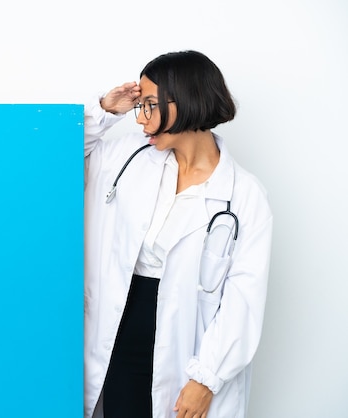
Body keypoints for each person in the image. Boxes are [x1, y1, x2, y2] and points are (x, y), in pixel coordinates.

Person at [83, 50, 273, 418]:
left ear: (186, 101)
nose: (141, 119)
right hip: (118, 334)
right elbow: (55, 153)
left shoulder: (245, 196)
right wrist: (106, 110)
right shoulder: (127, 157)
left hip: (187, 350)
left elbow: (243, 300)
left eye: (149, 105)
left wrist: (206, 379)